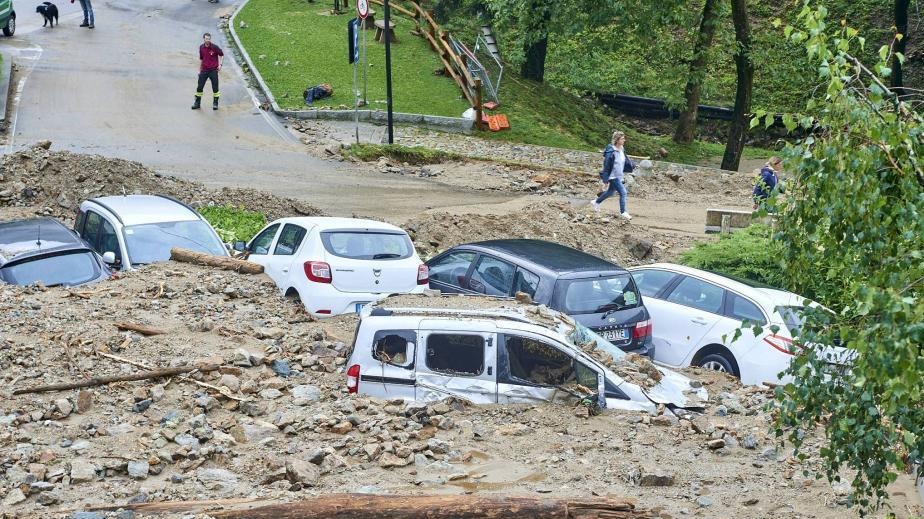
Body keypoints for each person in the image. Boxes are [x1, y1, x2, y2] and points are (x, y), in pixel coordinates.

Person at [591, 130, 632, 220]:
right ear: (617, 140)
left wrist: (631, 165)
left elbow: (624, 162)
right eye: (622, 139)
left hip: (619, 176)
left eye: (624, 138)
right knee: (623, 192)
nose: (624, 140)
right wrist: (605, 180)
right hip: (613, 176)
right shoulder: (611, 152)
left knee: (610, 192)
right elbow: (606, 166)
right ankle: (623, 212)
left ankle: (596, 202)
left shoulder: (622, 149)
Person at [192, 33, 224, 111]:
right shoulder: (201, 48)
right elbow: (201, 59)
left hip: (213, 70)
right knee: (199, 87)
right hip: (204, 70)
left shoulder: (214, 47)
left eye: (209, 39)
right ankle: (197, 103)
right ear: (204, 39)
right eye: (206, 39)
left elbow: (222, 54)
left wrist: (220, 65)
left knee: (215, 88)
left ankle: (215, 103)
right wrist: (199, 70)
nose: (208, 40)